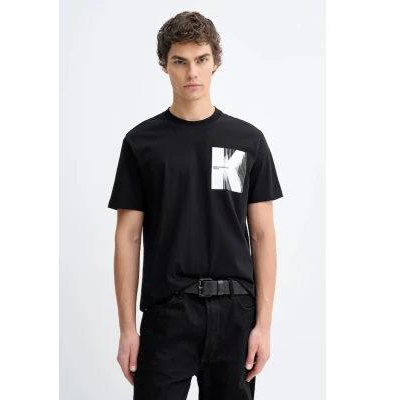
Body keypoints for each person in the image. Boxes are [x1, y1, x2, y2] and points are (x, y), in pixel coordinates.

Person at [108, 10, 283, 400]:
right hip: (168, 314)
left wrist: (264, 324)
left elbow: (263, 235)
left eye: (201, 59)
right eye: (180, 62)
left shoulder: (247, 140)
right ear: (164, 66)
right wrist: (127, 329)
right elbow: (127, 237)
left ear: (215, 61)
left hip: (236, 313)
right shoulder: (141, 143)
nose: (192, 73)